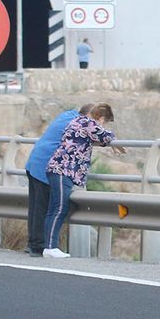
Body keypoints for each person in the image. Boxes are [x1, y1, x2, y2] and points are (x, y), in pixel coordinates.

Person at [40, 103, 117, 258]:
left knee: (54, 208)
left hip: (58, 169)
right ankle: (50, 247)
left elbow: (94, 137)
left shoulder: (77, 121)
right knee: (59, 208)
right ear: (101, 118)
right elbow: (105, 136)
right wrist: (115, 142)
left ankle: (49, 246)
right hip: (63, 170)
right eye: (104, 122)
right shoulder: (88, 123)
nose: (103, 125)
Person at [23, 103, 92, 256]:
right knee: (44, 207)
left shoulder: (67, 115)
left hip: (34, 162)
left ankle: (33, 244)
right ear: (89, 116)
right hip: (45, 166)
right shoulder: (80, 123)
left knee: (35, 207)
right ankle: (39, 246)